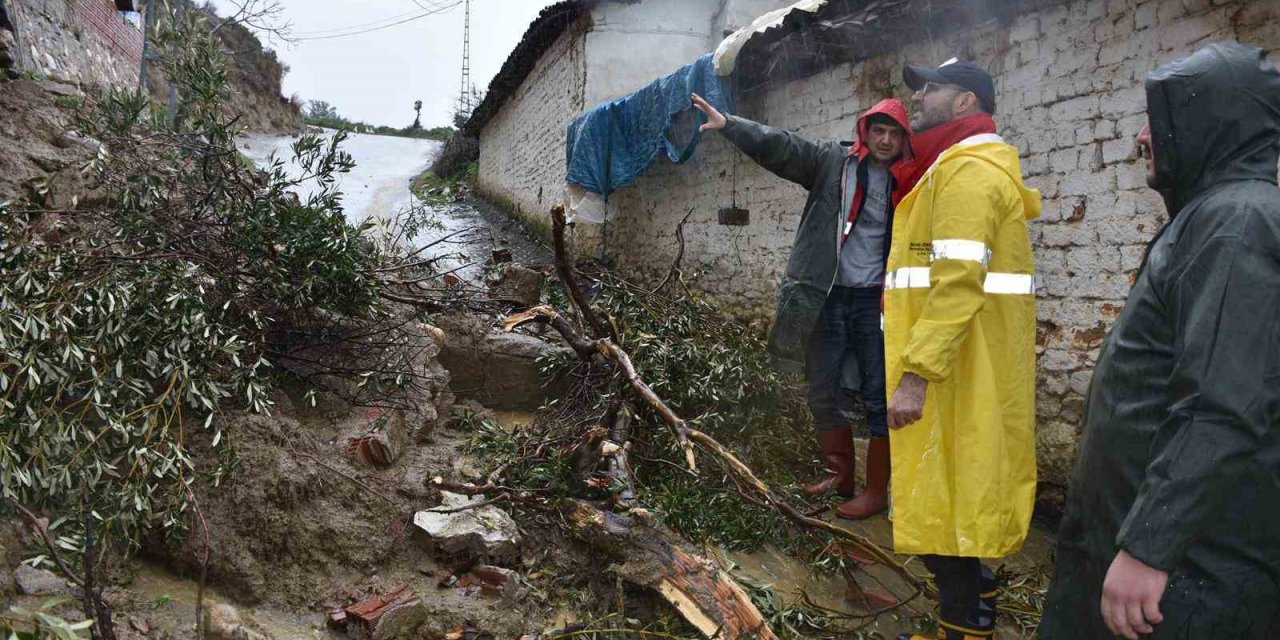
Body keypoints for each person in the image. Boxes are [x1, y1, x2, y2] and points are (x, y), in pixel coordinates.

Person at [1038, 41, 1280, 640]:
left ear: (1210, 123)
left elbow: (1220, 403)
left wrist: (1151, 547)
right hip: (1139, 543)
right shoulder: (1214, 215)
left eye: (1160, 117)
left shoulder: (1237, 223)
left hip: (1184, 575)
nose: (1143, 137)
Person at [690, 92, 910, 519]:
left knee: (878, 394)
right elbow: (783, 147)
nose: (884, 140)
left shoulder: (910, 179)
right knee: (821, 387)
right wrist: (731, 125)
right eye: (878, 130)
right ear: (865, 131)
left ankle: (877, 490)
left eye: (893, 133)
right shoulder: (833, 163)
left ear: (904, 139)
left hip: (875, 301)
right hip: (825, 295)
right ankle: (839, 475)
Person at [884, 58, 1040, 640]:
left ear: (966, 101)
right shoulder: (950, 166)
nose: (918, 97)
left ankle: (967, 626)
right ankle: (974, 611)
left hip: (957, 372)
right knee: (953, 513)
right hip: (963, 366)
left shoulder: (969, 172)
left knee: (954, 520)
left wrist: (916, 374)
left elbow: (956, 281)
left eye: (932, 87)